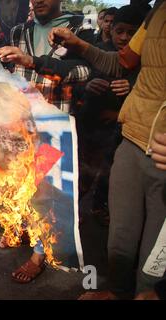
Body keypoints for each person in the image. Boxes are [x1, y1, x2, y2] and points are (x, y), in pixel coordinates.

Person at [0, 0, 93, 283]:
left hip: (52, 130)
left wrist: (34, 62)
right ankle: (18, 226)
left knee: (43, 193)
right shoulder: (21, 30)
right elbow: (2, 66)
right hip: (15, 130)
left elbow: (86, 71)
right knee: (14, 182)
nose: (38, 1)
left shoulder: (80, 26)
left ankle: (39, 252)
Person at [49, 0, 166, 299]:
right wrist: (78, 44)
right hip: (132, 142)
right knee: (120, 241)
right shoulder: (157, 11)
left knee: (155, 262)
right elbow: (123, 61)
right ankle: (116, 292)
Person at [78, 5, 145, 225]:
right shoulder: (100, 52)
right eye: (120, 31)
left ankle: (100, 207)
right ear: (111, 29)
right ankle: (72, 210)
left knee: (111, 177)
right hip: (92, 130)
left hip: (124, 135)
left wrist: (132, 90)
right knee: (84, 175)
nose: (125, 38)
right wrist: (88, 85)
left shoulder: (147, 65)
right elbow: (77, 80)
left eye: (132, 33)